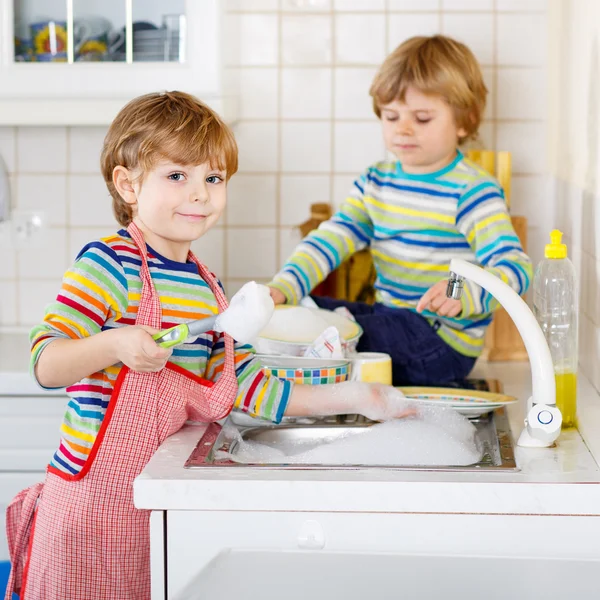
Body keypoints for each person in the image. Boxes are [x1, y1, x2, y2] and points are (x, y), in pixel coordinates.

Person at [4, 91, 411, 600]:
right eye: (177, 176)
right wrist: (115, 343)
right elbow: (45, 362)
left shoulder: (208, 287)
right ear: (128, 184)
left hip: (160, 506)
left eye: (212, 179)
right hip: (92, 510)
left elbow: (246, 387)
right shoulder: (109, 264)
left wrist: (355, 398)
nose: (200, 194)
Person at [268, 35, 533, 387]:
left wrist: (460, 293)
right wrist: (284, 287)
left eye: (422, 118)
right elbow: (332, 238)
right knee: (305, 310)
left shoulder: (471, 190)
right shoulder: (375, 182)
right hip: (393, 320)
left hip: (441, 344)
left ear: (464, 121)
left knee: (330, 331)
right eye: (392, 116)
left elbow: (515, 267)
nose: (403, 128)